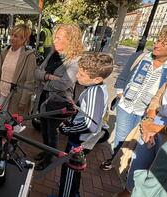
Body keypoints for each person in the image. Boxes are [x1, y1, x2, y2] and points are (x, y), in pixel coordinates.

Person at [100, 26, 167, 171]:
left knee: (139, 141)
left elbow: (163, 94)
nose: (157, 45)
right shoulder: (140, 56)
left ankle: (129, 166)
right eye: (158, 40)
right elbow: (123, 77)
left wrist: (153, 114)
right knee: (122, 136)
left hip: (149, 113)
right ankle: (117, 161)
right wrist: (121, 96)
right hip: (126, 105)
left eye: (164, 44)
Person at [58, 52, 114, 197]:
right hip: (81, 138)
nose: (77, 76)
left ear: (97, 79)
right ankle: (73, 193)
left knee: (70, 169)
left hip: (79, 140)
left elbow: (91, 125)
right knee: (75, 170)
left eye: (82, 75)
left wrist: (67, 129)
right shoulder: (95, 88)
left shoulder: (94, 93)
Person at [33, 24, 84, 170]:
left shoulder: (75, 61)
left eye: (59, 38)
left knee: (52, 132)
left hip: (58, 102)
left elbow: (63, 85)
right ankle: (46, 151)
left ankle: (49, 159)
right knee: (43, 127)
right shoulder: (52, 53)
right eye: (55, 36)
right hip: (44, 98)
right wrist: (49, 76)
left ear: (70, 41)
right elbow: (36, 72)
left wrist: (44, 81)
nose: (54, 40)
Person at [116, 77, 167, 197]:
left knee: (156, 175)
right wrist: (149, 120)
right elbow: (157, 98)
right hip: (154, 122)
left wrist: (156, 128)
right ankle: (129, 191)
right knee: (137, 164)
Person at [0, 24, 36, 115]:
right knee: (1, 121)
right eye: (12, 35)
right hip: (2, 94)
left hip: (17, 97)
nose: (12, 38)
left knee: (13, 125)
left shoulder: (29, 56)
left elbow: (30, 81)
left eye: (16, 36)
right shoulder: (5, 51)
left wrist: (24, 101)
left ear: (24, 39)